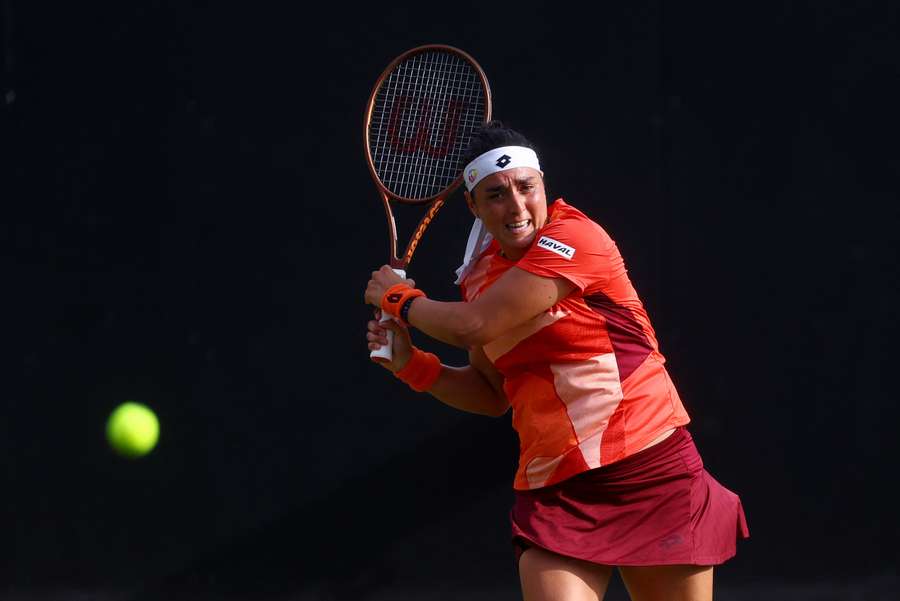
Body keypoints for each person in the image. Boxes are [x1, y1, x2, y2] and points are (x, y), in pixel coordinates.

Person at [364, 121, 749, 601]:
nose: (516, 205)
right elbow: (490, 394)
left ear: (543, 184)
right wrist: (410, 364)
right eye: (496, 194)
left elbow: (473, 326)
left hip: (648, 470)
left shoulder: (577, 237)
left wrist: (399, 299)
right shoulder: (478, 279)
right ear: (475, 207)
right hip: (556, 490)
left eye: (526, 187)